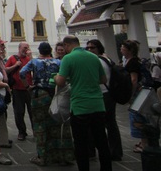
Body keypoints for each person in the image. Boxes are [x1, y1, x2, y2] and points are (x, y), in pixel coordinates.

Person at [55, 35, 112, 171]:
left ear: (67, 45)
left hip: (80, 106)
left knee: (81, 143)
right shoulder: (94, 57)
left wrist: (57, 77)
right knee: (102, 141)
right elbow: (103, 79)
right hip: (98, 104)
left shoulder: (68, 58)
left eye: (65, 48)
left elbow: (61, 82)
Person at [20, 42, 74, 166]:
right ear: (50, 50)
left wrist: (27, 86)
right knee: (60, 124)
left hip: (40, 95)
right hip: (56, 94)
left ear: (39, 50)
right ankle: (64, 156)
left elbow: (22, 73)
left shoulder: (34, 62)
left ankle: (42, 156)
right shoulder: (58, 62)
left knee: (40, 125)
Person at [85, 39, 123, 161]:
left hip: (101, 94)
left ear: (99, 49)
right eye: (88, 48)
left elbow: (97, 79)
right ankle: (115, 151)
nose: (90, 50)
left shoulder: (97, 61)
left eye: (93, 48)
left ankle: (96, 151)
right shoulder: (108, 59)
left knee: (95, 124)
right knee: (111, 124)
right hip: (108, 94)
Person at [120, 39, 149, 154]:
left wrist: (131, 95)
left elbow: (134, 79)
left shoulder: (132, 62)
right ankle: (144, 142)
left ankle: (145, 143)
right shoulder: (131, 60)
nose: (121, 49)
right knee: (140, 116)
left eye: (123, 48)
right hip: (141, 92)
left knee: (138, 117)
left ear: (129, 50)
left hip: (137, 93)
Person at [5, 42, 32, 141]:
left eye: (27, 47)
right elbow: (5, 70)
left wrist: (31, 57)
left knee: (32, 111)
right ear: (19, 48)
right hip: (17, 89)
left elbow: (36, 69)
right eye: (25, 47)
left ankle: (36, 130)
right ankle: (22, 131)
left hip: (29, 88)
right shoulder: (12, 58)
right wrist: (15, 65)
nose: (26, 49)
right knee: (19, 112)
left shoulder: (30, 59)